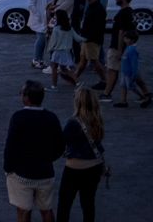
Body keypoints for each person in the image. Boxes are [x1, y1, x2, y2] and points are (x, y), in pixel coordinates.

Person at [3, 80, 64, 222]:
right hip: (45, 172)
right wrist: (48, 158)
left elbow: (10, 146)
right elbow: (60, 145)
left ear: (26, 97)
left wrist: (8, 168)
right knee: (46, 210)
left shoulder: (18, 117)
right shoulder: (51, 117)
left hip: (22, 173)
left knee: (23, 210)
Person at [57, 87, 106, 222]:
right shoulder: (97, 119)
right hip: (95, 166)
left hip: (75, 167)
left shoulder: (73, 123)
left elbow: (61, 142)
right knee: (88, 202)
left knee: (64, 204)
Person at [102, 0, 135, 102]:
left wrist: (120, 49)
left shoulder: (123, 13)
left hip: (117, 46)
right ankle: (145, 93)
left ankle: (107, 93)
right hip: (123, 46)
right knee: (128, 72)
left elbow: (122, 32)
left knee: (112, 70)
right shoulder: (128, 11)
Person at [115, 29, 151, 108]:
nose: (124, 40)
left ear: (132, 40)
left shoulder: (132, 50)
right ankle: (123, 101)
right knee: (123, 85)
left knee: (131, 87)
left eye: (126, 38)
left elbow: (134, 64)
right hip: (124, 72)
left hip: (129, 73)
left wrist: (134, 74)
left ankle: (144, 97)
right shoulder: (129, 48)